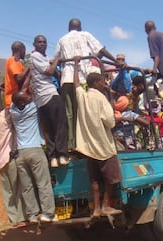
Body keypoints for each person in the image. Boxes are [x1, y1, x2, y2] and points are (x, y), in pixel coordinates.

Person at [55, 18, 118, 151]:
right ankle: (83, 143)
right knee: (82, 111)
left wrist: (59, 76)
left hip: (66, 79)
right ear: (80, 27)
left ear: (68, 28)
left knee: (69, 113)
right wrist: (116, 62)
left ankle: (70, 144)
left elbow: (56, 59)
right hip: (82, 79)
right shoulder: (86, 35)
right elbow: (101, 49)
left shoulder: (62, 39)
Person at [72, 56, 122, 217]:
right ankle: (106, 205)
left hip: (88, 148)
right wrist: (109, 94)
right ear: (96, 83)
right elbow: (110, 122)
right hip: (103, 146)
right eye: (102, 82)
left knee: (94, 179)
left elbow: (77, 85)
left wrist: (75, 65)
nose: (104, 84)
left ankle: (96, 209)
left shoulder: (83, 96)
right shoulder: (101, 98)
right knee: (109, 178)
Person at [10, 87, 57, 223]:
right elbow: (34, 93)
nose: (29, 97)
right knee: (43, 183)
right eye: (26, 98)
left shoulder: (13, 112)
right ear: (23, 103)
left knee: (27, 186)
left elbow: (15, 100)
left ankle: (32, 215)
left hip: (20, 154)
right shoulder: (32, 109)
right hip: (35, 151)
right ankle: (48, 213)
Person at [30, 35, 69, 168]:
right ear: (34, 44)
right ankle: (62, 154)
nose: (42, 44)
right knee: (61, 124)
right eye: (39, 42)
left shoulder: (43, 58)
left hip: (41, 99)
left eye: (44, 42)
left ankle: (53, 157)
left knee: (50, 129)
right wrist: (57, 60)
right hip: (49, 94)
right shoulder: (35, 56)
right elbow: (49, 71)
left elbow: (53, 71)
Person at [0, 102, 26, 227]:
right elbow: (11, 108)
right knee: (18, 187)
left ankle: (13, 218)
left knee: (7, 191)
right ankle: (21, 218)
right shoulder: (2, 119)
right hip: (10, 157)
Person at [4, 41, 30, 109]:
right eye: (24, 50)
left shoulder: (17, 63)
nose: (25, 53)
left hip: (16, 100)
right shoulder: (13, 60)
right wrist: (28, 68)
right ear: (20, 49)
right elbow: (18, 78)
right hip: (14, 101)